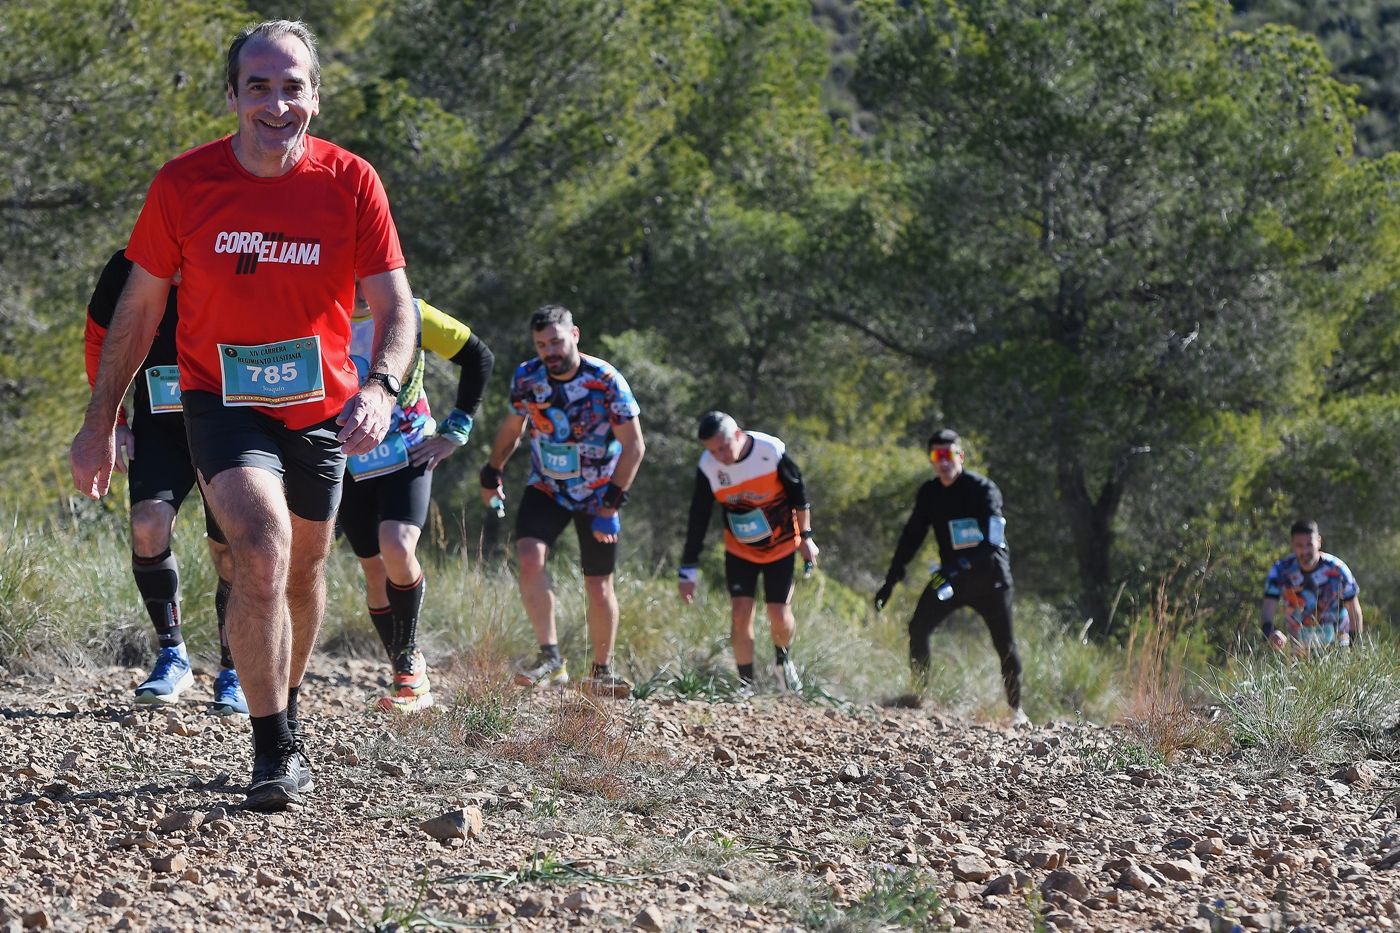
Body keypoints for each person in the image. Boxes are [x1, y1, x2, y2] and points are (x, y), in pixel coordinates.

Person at [69, 20, 417, 812]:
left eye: (292, 85)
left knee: (303, 570)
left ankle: (284, 708)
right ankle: (273, 747)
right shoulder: (183, 185)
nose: (275, 102)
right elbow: (137, 308)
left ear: (315, 98)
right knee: (261, 548)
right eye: (257, 85)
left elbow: (397, 307)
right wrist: (100, 421)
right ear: (232, 96)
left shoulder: (352, 182)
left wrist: (380, 387)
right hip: (219, 400)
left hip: (321, 407)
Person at [85, 250, 245, 715]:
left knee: (233, 550)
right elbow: (98, 342)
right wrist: (111, 418)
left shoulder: (230, 255)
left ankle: (234, 668)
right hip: (160, 420)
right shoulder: (125, 268)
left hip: (229, 422)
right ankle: (172, 655)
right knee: (147, 524)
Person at [340, 286, 494, 714]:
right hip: (350, 458)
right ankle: (406, 677)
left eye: (368, 280)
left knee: (398, 545)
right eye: (352, 282)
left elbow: (478, 357)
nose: (362, 293)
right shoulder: (320, 311)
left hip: (410, 447)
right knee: (373, 571)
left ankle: (408, 653)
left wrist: (455, 431)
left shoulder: (413, 314)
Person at [479, 305, 645, 698]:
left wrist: (612, 504)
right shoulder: (527, 376)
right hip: (547, 487)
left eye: (555, 341)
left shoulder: (604, 380)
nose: (549, 351)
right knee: (530, 558)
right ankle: (550, 659)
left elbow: (634, 446)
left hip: (597, 492)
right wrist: (492, 470)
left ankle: (602, 670)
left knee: (598, 584)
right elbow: (512, 427)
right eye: (541, 345)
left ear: (574, 335)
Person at [873, 428, 1026, 724]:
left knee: (1005, 645)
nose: (943, 462)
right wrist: (890, 581)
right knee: (918, 627)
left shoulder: (984, 490)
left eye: (948, 454)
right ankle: (919, 698)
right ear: (931, 459)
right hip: (951, 581)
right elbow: (911, 538)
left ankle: (1016, 710)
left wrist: (958, 565)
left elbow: (993, 542)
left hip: (991, 580)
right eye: (936, 455)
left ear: (961, 456)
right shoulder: (930, 493)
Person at [678, 412, 816, 693]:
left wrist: (807, 538)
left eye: (723, 447)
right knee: (741, 613)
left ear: (738, 435)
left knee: (778, 614)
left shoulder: (769, 450)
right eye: (712, 450)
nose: (719, 456)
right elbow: (698, 517)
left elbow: (799, 495)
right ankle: (746, 684)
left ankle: (783, 662)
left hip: (781, 547)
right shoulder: (708, 467)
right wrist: (688, 566)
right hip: (740, 550)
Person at [1261, 519, 1362, 652]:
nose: (1305, 551)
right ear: (1292, 545)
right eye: (1299, 546)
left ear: (1319, 542)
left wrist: (1356, 648)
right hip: (1298, 648)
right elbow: (1268, 608)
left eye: (1309, 545)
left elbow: (1354, 610)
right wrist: (1271, 633)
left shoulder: (1338, 570)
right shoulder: (1281, 571)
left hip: (1338, 646)